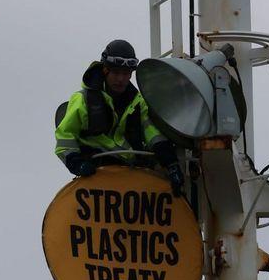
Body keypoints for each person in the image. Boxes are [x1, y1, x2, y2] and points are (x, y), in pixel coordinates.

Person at [55, 39, 182, 188]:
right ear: (105, 70)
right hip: (95, 178)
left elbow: (153, 135)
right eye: (116, 72)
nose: (121, 79)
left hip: (132, 176)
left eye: (126, 73)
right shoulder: (83, 100)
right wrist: (77, 164)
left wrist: (171, 164)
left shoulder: (138, 103)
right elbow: (65, 138)